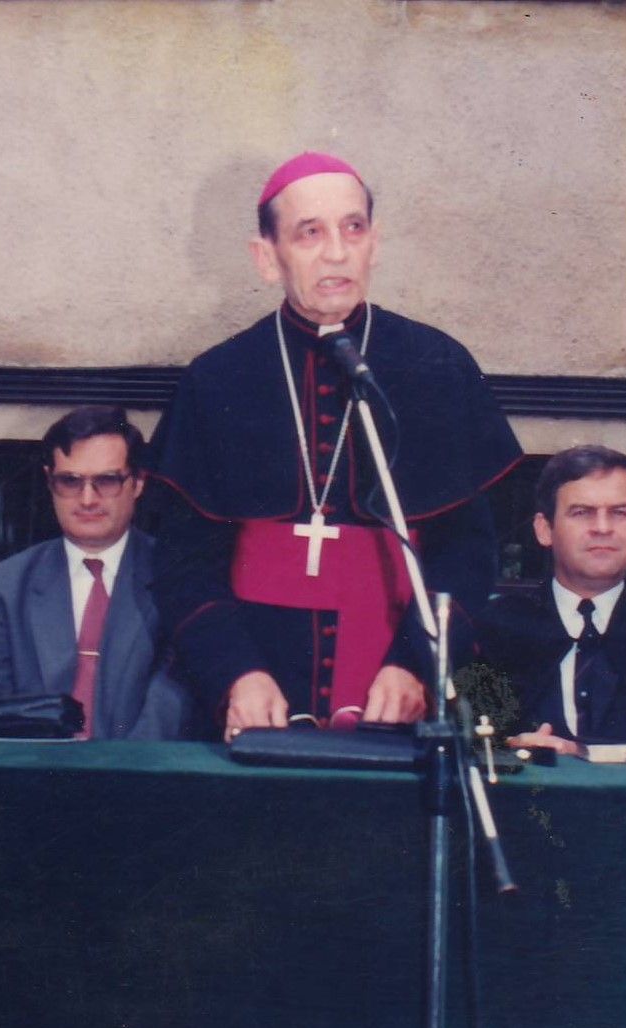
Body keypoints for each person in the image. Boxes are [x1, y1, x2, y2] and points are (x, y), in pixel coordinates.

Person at [149, 151, 521, 739]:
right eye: (310, 233)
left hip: (396, 689)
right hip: (254, 696)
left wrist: (415, 664)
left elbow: (467, 556)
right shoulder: (217, 379)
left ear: (375, 243)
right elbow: (183, 566)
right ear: (266, 257)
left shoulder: (437, 366)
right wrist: (236, 675)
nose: (337, 253)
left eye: (353, 228)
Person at [0, 405, 191, 739]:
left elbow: (171, 705)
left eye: (107, 480)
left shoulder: (177, 578)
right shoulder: (1, 589)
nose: (87, 499)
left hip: (143, 766)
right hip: (35, 768)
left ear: (138, 483)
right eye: (70, 481)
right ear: (50, 482)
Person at [474, 445, 626, 753]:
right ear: (545, 529)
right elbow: (471, 739)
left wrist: (585, 753)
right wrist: (509, 747)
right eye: (582, 512)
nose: (603, 528)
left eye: (620, 513)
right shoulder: (492, 629)